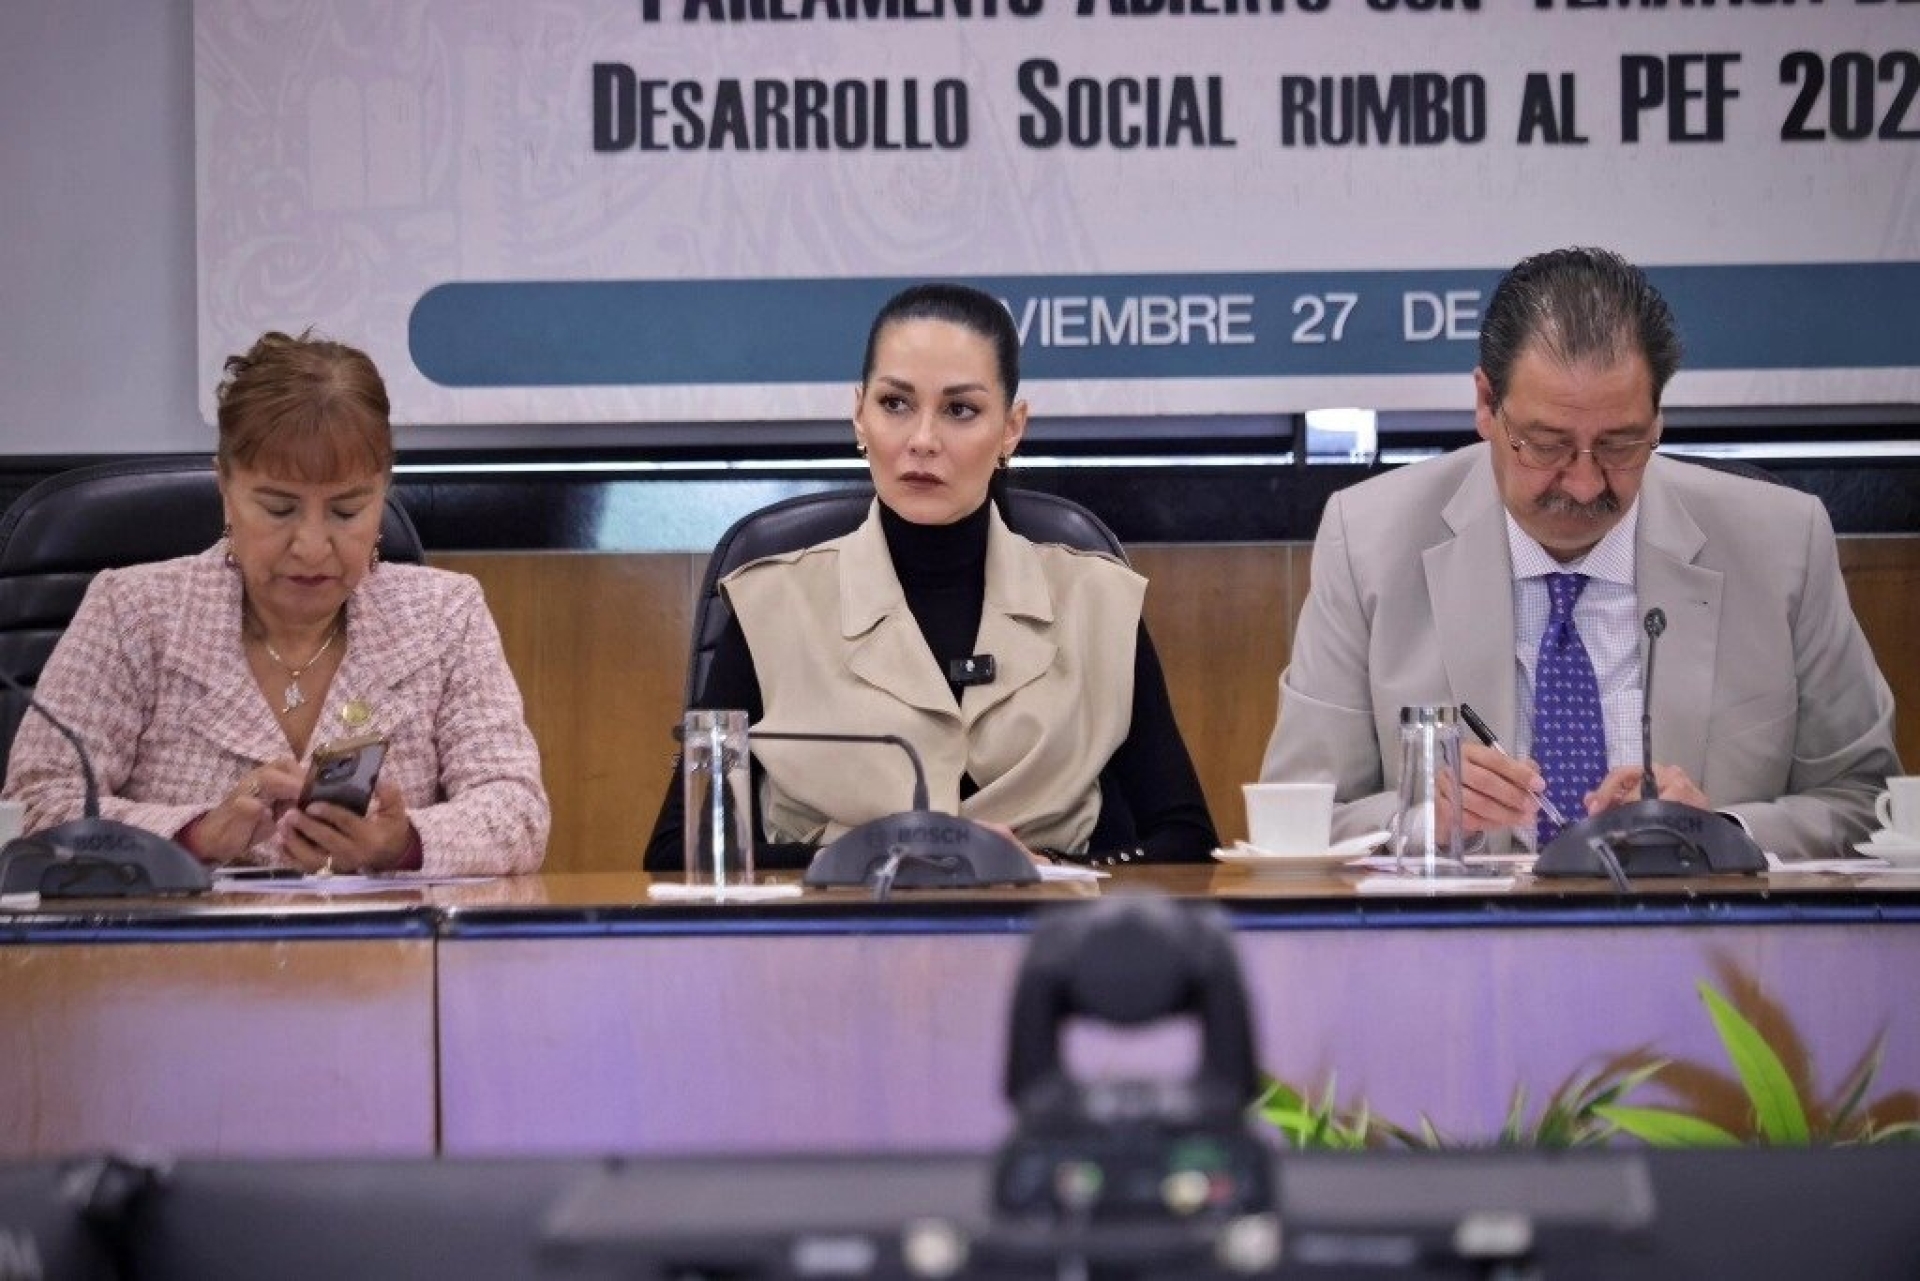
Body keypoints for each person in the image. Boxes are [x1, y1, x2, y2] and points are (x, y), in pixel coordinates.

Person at [1261, 247, 1898, 859]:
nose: (1585, 483)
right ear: (1486, 405)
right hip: (1462, 932)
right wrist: (1423, 818)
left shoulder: (1781, 545)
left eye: (1620, 445)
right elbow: (1299, 814)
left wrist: (1718, 834)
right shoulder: (1369, 541)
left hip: (1701, 929)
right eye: (1546, 445)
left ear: (1658, 420)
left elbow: (1868, 799)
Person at [646, 283, 1216, 870]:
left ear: (1012, 428)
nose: (922, 440)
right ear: (859, 415)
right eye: (895, 404)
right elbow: (677, 854)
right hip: (838, 925)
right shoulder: (769, 605)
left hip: (1041, 923)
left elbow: (1187, 841)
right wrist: (860, 861)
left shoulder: (1098, 601)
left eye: (959, 410)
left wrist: (1047, 867)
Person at [4, 331, 550, 875]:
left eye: (346, 512)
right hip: (182, 934)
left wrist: (401, 845)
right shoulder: (132, 613)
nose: (311, 546)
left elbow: (517, 812)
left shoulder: (444, 616)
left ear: (382, 492)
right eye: (279, 509)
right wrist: (196, 834)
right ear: (225, 488)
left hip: (384, 932)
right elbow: (36, 807)